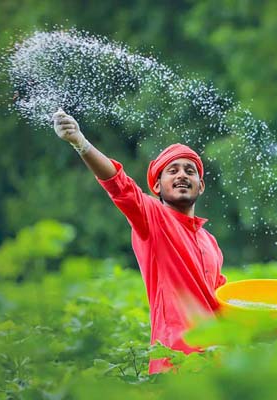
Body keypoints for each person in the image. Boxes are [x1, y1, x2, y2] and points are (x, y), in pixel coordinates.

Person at [52, 109, 227, 374]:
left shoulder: (209, 241)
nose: (182, 175)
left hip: (216, 364)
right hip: (175, 362)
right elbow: (119, 186)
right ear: (157, 187)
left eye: (189, 171)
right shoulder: (152, 217)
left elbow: (222, 302)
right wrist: (81, 143)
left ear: (200, 186)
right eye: (173, 171)